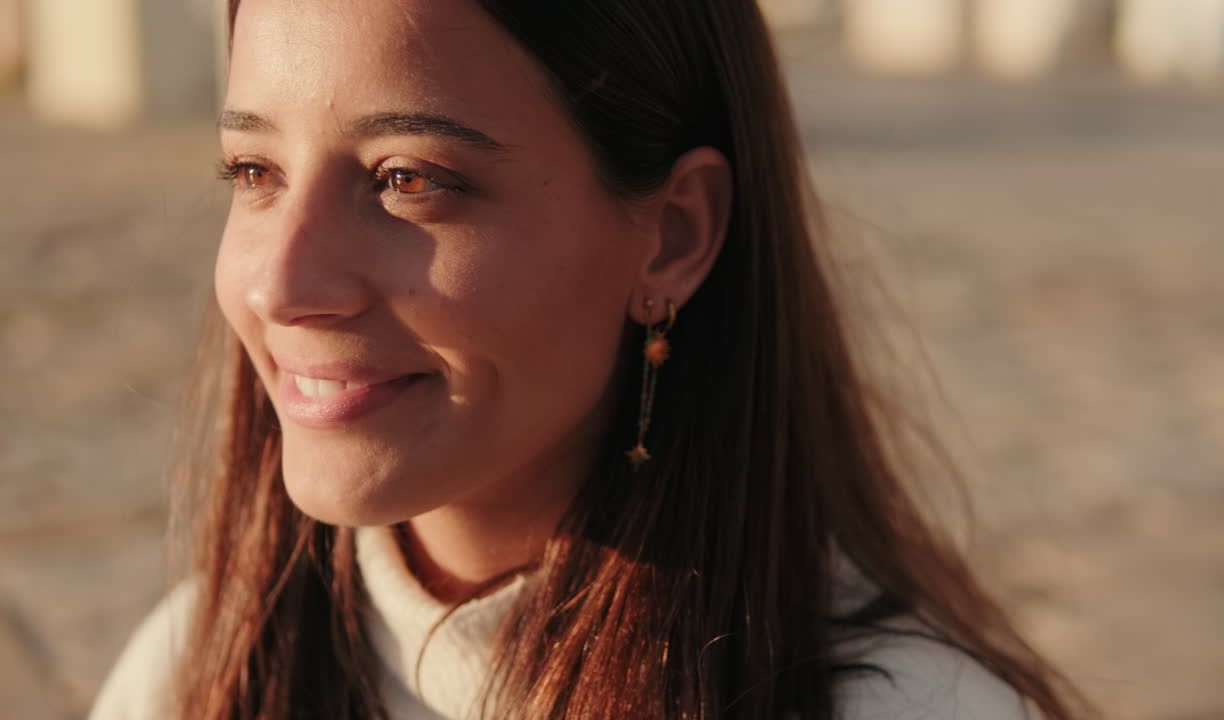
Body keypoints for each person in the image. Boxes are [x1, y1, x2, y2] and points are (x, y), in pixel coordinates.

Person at [90, 1, 1091, 718]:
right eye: (253, 171)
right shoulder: (192, 671)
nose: (280, 284)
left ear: (670, 237)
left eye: (408, 179)